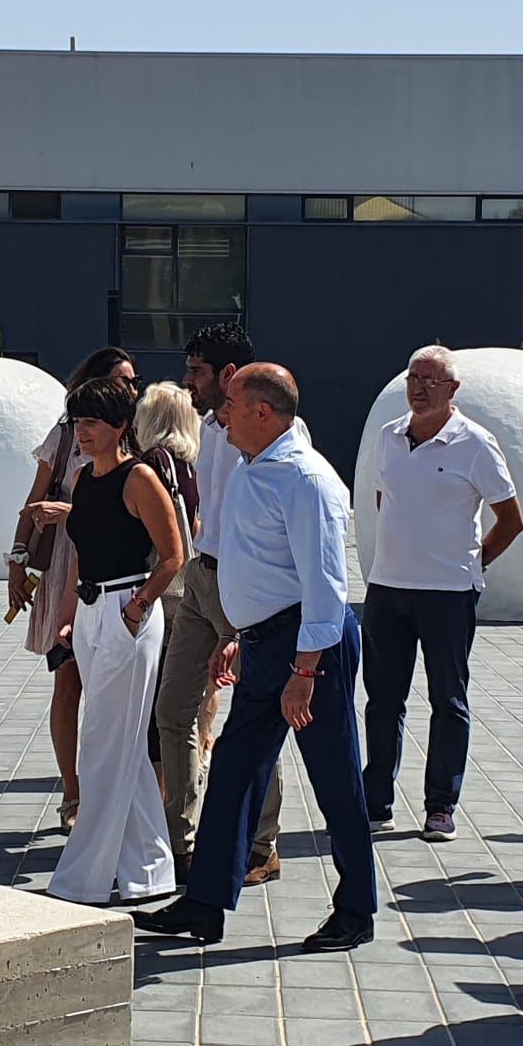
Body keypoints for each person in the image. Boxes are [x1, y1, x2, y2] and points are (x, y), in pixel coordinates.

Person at [134, 364, 378, 952]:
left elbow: (326, 586)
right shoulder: (251, 467)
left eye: (231, 405)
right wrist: (240, 634)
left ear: (262, 412)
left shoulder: (304, 479)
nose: (219, 415)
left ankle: (356, 910)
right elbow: (262, 566)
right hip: (266, 643)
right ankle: (205, 903)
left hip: (309, 648)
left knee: (335, 777)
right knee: (234, 771)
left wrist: (304, 672)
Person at [360, 345, 523, 843]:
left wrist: (473, 563)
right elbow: (387, 500)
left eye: (431, 380)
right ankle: (375, 801)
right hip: (388, 588)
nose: (420, 388)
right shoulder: (390, 437)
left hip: (448, 593)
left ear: (453, 389)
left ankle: (440, 806)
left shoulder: (475, 442)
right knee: (382, 699)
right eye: (414, 378)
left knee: (448, 700)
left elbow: (511, 519)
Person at [157, 323, 297, 887]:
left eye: (197, 371)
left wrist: (241, 621)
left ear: (229, 375)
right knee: (173, 711)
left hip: (246, 588)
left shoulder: (271, 434)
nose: (187, 381)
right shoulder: (209, 429)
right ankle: (182, 844)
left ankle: (261, 844)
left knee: (254, 716)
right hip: (201, 575)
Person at [46, 377, 186, 903]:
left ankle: (82, 876)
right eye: (77, 422)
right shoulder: (83, 478)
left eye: (92, 423)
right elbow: (82, 553)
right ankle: (149, 870)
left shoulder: (140, 477)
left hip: (129, 611)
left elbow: (173, 555)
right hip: (90, 612)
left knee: (104, 742)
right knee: (118, 741)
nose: (82, 432)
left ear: (120, 426)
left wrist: (137, 606)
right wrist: (68, 617)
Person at [6, 346, 138, 834]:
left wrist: (74, 512)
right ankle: (73, 792)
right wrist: (17, 558)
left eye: (133, 382)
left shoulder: (137, 436)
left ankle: (116, 792)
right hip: (67, 565)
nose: (132, 389)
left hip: (116, 569)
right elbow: (35, 498)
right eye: (123, 381)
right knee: (68, 683)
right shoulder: (64, 436)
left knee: (114, 692)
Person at [133, 381, 208, 791]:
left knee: (156, 704)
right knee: (177, 701)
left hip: (160, 590)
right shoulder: (188, 466)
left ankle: (163, 795)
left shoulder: (153, 464)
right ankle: (176, 789)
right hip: (186, 590)